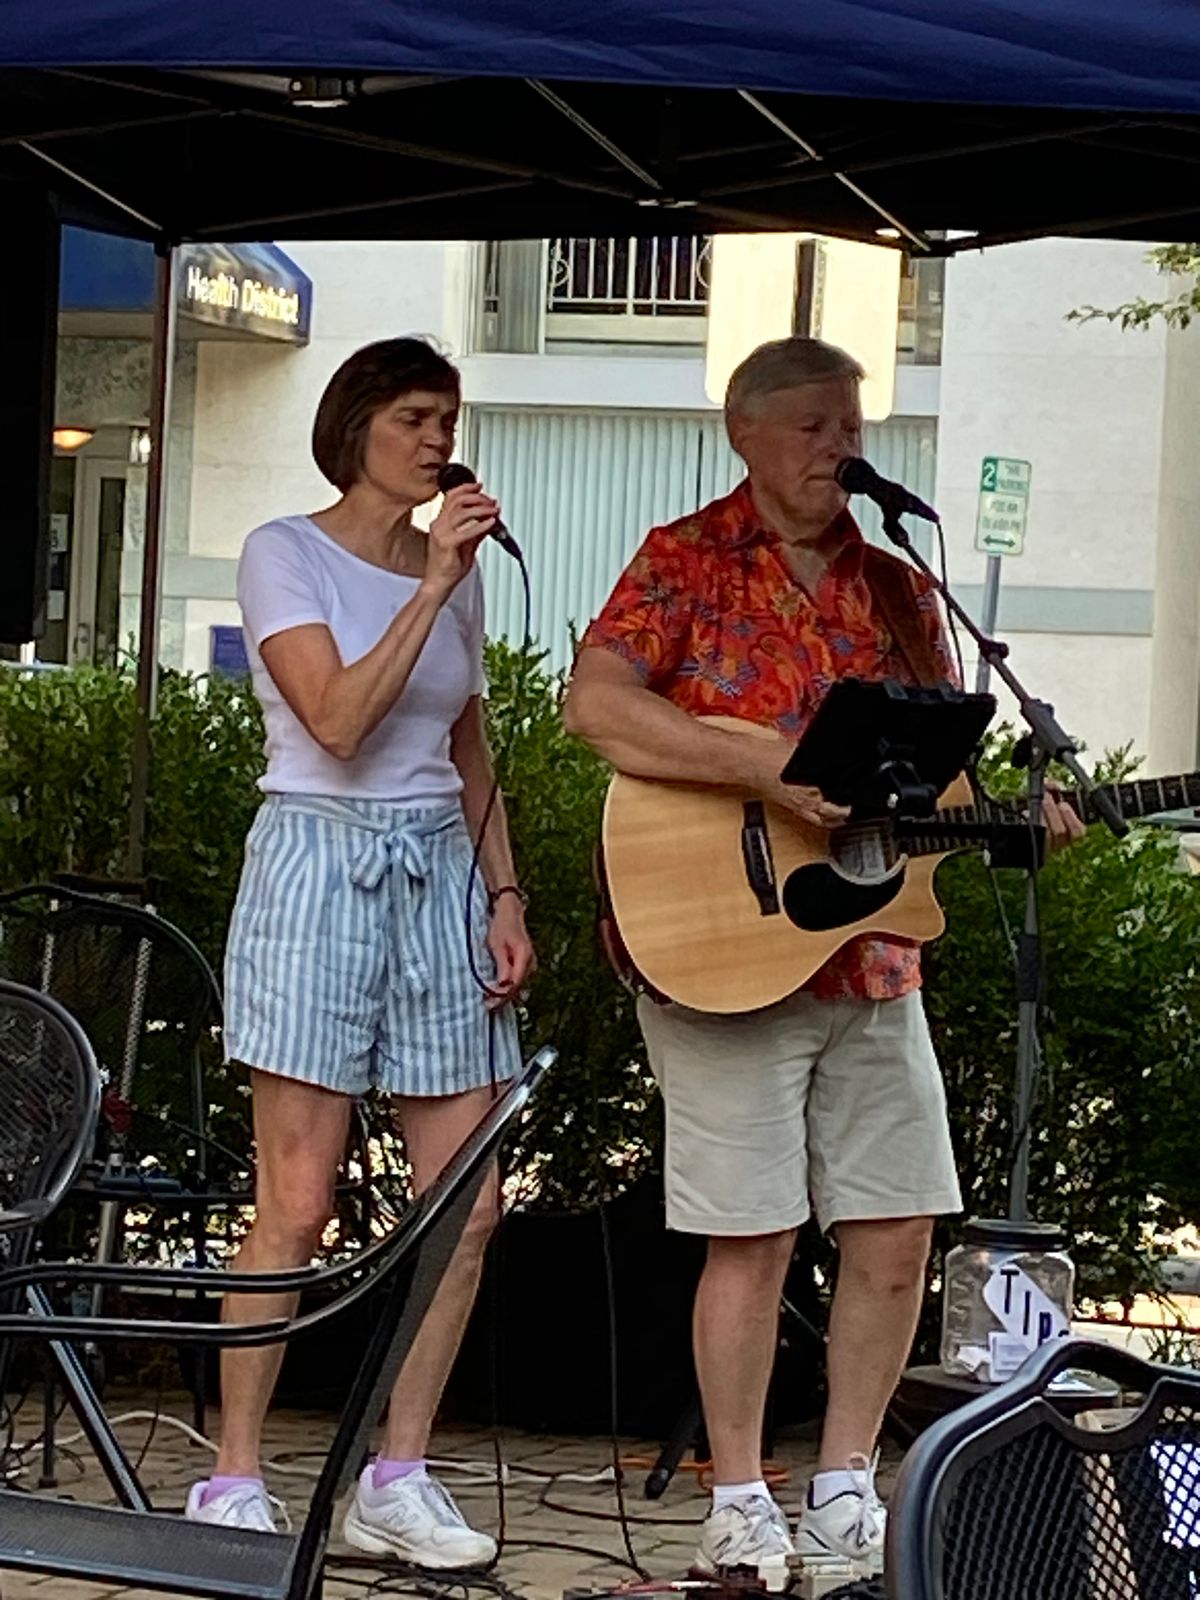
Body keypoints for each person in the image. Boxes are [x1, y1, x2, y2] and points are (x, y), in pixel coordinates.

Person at [564, 336, 1082, 1581]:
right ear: (742, 432)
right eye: (811, 426)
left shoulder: (900, 587)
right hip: (718, 940)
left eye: (850, 426)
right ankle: (740, 1497)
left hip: (872, 957)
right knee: (750, 1234)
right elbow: (597, 705)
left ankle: (847, 1484)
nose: (839, 448)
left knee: (898, 1226)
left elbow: (936, 773)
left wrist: (1017, 816)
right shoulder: (684, 560)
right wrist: (763, 764)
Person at [185, 337, 534, 1569]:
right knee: (297, 1199)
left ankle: (397, 1473)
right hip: (319, 861)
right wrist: (428, 587)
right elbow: (334, 720)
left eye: (449, 420)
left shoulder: (457, 577)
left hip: (438, 868)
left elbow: (467, 748)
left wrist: (505, 894)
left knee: (471, 1202)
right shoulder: (285, 550)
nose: (438, 440)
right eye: (414, 418)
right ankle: (232, 1475)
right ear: (355, 428)